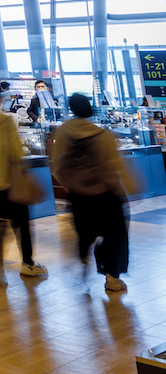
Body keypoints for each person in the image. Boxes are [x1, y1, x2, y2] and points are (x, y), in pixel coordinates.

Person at [51, 93, 134, 292]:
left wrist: (67, 185)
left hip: (78, 195)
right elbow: (114, 166)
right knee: (115, 235)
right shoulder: (103, 135)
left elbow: (58, 165)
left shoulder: (63, 133)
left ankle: (83, 260)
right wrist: (127, 188)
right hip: (105, 194)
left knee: (85, 233)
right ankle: (112, 277)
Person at [0, 83, 48, 281]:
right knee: (22, 224)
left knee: (1, 221)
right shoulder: (4, 121)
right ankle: (28, 263)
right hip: (10, 178)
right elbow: (15, 152)